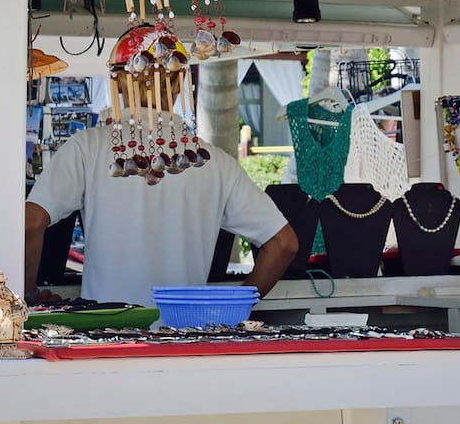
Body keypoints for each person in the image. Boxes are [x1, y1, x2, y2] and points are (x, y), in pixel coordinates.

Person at [24, 103, 297, 305]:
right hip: (183, 336)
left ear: (118, 81)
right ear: (177, 84)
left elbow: (31, 223)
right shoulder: (213, 160)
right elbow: (283, 244)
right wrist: (234, 306)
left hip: (106, 339)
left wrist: (27, 294)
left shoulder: (88, 146)